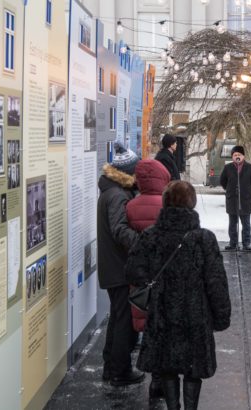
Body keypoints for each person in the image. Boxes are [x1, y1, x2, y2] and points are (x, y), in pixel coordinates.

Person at [126, 181, 231, 410]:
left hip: (163, 315)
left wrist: (153, 284)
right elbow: (216, 282)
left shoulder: (151, 236)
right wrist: (221, 316)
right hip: (196, 315)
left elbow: (133, 270)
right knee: (194, 369)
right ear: (191, 204)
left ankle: (173, 407)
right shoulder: (204, 239)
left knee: (167, 367)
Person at [97, 142, 144, 387]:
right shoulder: (117, 195)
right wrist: (143, 242)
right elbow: (119, 230)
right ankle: (119, 371)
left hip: (113, 267)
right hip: (119, 268)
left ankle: (111, 367)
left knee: (118, 319)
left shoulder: (112, 191)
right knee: (123, 321)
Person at [125, 158, 171, 401]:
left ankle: (154, 376)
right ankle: (163, 379)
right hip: (165, 276)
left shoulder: (131, 206)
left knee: (148, 327)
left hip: (143, 278)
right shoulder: (167, 205)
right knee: (165, 329)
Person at [220, 145, 251, 251]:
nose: (237, 156)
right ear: (232, 156)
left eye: (239, 154)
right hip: (232, 199)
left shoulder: (250, 168)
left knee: (246, 224)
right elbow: (222, 181)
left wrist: (247, 190)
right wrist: (229, 189)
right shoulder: (227, 168)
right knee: (232, 224)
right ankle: (233, 243)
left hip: (245, 200)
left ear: (243, 156)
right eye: (235, 155)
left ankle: (246, 244)